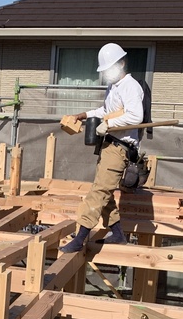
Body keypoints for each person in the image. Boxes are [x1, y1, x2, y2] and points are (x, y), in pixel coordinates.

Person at [60, 43, 144, 253]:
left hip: (120, 148)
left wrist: (109, 124)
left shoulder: (130, 86)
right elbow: (106, 109)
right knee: (104, 191)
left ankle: (80, 239)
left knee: (99, 192)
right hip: (109, 145)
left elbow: (136, 116)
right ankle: (117, 235)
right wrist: (85, 115)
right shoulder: (113, 86)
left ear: (121, 64)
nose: (107, 73)